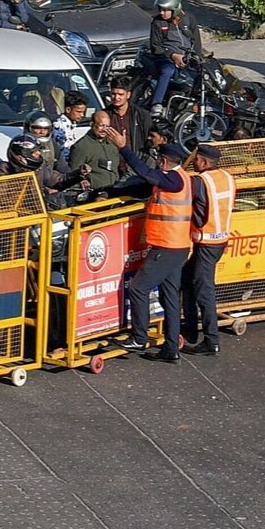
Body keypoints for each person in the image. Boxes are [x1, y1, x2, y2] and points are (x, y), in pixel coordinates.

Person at [104, 129, 192, 362]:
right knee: (170, 296)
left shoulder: (172, 179)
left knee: (138, 288)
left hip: (166, 247)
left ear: (163, 161)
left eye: (158, 161)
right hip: (178, 246)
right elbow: (146, 183)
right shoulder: (182, 176)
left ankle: (139, 338)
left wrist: (123, 148)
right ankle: (171, 348)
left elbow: (145, 173)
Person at [181, 143, 233, 355]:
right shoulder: (226, 177)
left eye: (195, 159)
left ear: (203, 161)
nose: (193, 162)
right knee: (187, 278)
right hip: (220, 241)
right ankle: (191, 329)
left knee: (205, 291)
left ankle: (211, 340)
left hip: (206, 243)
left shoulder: (199, 181)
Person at [147, 0, 203, 117]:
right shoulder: (158, 22)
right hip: (166, 58)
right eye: (161, 9)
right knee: (167, 71)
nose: (162, 13)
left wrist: (197, 59)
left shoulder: (189, 19)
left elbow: (197, 43)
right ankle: (157, 103)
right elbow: (156, 47)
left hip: (187, 57)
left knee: (203, 74)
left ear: (176, 9)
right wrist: (173, 55)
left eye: (166, 10)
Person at [106, 75, 153, 175]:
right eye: (113, 94)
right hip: (113, 166)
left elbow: (148, 141)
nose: (116, 97)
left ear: (128, 95)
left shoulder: (141, 115)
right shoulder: (105, 115)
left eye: (120, 94)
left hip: (136, 166)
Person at [67, 110, 120, 191]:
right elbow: (74, 172)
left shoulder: (112, 143)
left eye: (107, 126)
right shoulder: (81, 146)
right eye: (101, 126)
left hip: (115, 189)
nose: (104, 129)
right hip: (95, 193)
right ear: (92, 124)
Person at [52, 90, 90, 162]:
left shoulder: (71, 125)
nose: (82, 115)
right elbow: (63, 153)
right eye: (78, 112)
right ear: (68, 109)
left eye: (83, 112)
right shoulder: (59, 127)